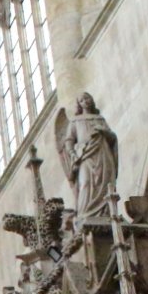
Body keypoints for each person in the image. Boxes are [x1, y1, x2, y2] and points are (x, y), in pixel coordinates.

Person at [62, 93, 118, 224]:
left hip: (102, 154)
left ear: (91, 100)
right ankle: (84, 215)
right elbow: (69, 141)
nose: (85, 101)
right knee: (85, 183)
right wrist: (73, 154)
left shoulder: (100, 119)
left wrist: (103, 131)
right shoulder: (75, 121)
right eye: (81, 100)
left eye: (87, 98)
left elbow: (112, 138)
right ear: (79, 105)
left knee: (105, 184)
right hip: (85, 155)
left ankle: (107, 213)